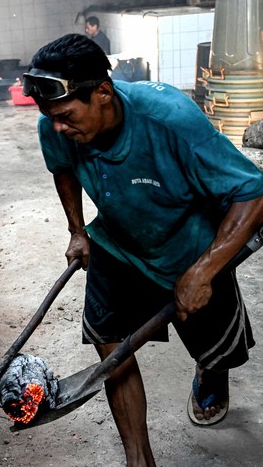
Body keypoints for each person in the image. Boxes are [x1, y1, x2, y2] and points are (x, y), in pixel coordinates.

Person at [22, 33, 263, 467]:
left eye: (64, 115)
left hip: (187, 247)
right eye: (50, 116)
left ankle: (211, 370)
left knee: (218, 349)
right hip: (117, 242)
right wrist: (78, 231)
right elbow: (62, 168)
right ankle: (139, 459)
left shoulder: (171, 120)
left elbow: (253, 191)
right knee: (112, 352)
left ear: (103, 92)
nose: (57, 127)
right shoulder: (55, 123)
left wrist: (205, 270)